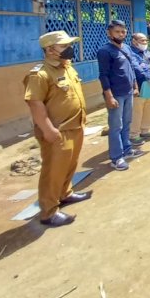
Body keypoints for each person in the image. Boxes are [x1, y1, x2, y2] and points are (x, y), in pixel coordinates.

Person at [23, 31, 91, 226]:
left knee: (69, 164)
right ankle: (49, 211)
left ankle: (65, 193)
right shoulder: (39, 74)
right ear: (50, 49)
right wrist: (47, 130)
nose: (69, 49)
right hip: (57, 130)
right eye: (64, 46)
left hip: (74, 125)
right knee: (53, 170)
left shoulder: (66, 67)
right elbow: (35, 104)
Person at [97, 20, 143, 172]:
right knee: (116, 126)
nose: (121, 34)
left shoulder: (127, 48)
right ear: (109, 33)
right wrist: (109, 96)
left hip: (128, 91)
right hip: (115, 94)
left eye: (123, 32)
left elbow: (131, 69)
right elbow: (103, 76)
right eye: (117, 32)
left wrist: (135, 86)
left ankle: (127, 149)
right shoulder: (105, 51)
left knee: (127, 122)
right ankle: (116, 158)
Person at [129, 32, 150, 142]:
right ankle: (134, 135)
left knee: (149, 107)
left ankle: (145, 131)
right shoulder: (131, 54)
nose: (145, 42)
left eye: (146, 40)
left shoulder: (147, 53)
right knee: (137, 111)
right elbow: (136, 68)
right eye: (142, 40)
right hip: (140, 85)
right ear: (134, 41)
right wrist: (149, 78)